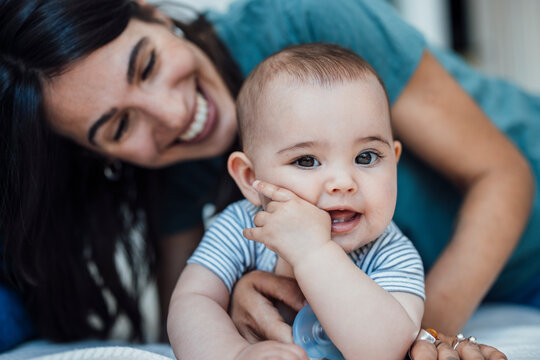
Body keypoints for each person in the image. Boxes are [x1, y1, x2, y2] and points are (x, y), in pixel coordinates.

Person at [0, 0, 536, 358]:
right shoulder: (185, 181)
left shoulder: (305, 19)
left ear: (154, 14)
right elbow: (186, 311)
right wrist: (235, 334)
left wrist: (422, 338)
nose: (171, 112)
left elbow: (503, 174)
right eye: (119, 125)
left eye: (145, 65)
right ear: (246, 175)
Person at [168, 43, 425, 360]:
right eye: (306, 161)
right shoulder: (242, 227)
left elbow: (386, 348)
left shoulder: (388, 252)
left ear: (394, 162)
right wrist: (234, 354)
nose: (343, 183)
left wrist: (313, 252)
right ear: (250, 178)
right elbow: (192, 300)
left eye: (366, 157)